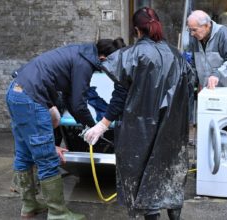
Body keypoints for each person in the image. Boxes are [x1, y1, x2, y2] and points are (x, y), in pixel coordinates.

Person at [83, 7, 193, 220]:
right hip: (172, 129)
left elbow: (120, 96)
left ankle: (152, 215)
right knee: (169, 169)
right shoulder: (177, 55)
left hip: (139, 130)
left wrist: (103, 124)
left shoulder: (130, 56)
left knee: (141, 174)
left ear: (136, 30)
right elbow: (190, 88)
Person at [5, 38, 125, 219]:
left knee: (24, 153)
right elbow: (78, 104)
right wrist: (95, 127)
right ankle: (57, 212)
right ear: (103, 58)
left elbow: (70, 98)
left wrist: (86, 124)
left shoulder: (79, 53)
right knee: (46, 157)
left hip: (16, 93)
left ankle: (29, 206)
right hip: (32, 98)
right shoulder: (84, 64)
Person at [186, 10, 227, 90]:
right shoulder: (196, 38)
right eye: (190, 30)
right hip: (210, 89)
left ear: (207, 25)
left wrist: (216, 74)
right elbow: (194, 65)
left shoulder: (223, 34)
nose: (192, 34)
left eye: (194, 30)